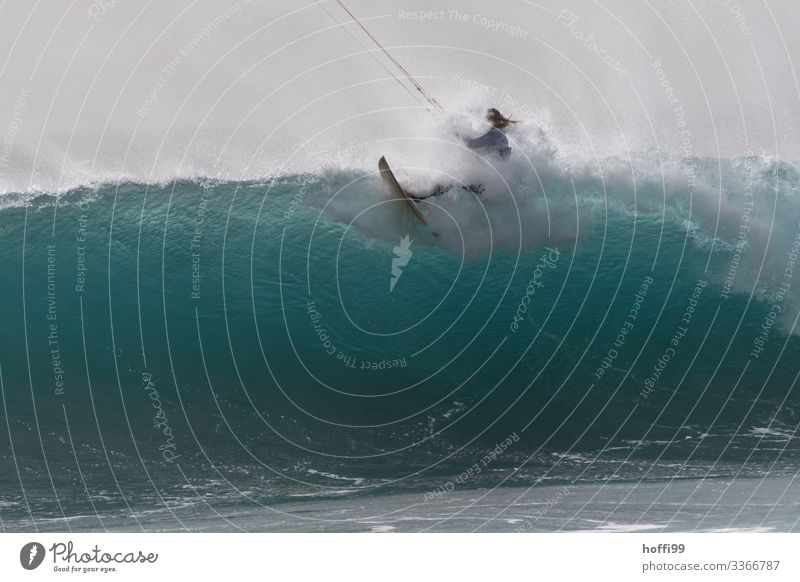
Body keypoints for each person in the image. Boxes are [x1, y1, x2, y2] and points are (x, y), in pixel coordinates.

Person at [408, 108, 516, 201]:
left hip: (488, 185)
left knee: (454, 180)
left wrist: (457, 134)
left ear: (493, 121)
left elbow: (472, 144)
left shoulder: (495, 134)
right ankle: (424, 196)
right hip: (492, 186)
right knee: (456, 179)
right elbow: (483, 152)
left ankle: (421, 198)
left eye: (486, 121)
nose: (485, 124)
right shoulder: (500, 135)